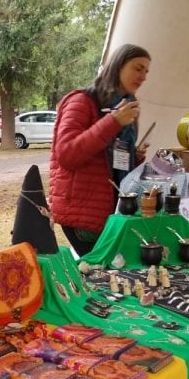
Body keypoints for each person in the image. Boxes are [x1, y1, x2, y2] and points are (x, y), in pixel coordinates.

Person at [49, 43, 151, 256]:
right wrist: (113, 121)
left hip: (114, 210)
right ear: (118, 66)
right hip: (84, 216)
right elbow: (67, 154)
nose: (143, 76)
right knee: (101, 277)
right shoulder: (81, 101)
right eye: (138, 68)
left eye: (146, 71)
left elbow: (107, 159)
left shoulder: (127, 105)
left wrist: (135, 156)